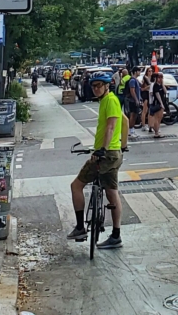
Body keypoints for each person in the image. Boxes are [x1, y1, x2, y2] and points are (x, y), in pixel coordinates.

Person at [66, 71, 123, 249]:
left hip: (106, 154)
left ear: (107, 86)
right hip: (112, 152)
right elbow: (126, 121)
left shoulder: (111, 100)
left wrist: (102, 150)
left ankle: (81, 227)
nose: (96, 88)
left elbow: (112, 126)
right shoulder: (106, 101)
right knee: (111, 192)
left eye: (99, 85)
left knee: (76, 185)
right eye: (94, 86)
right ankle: (116, 235)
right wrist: (123, 144)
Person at [149, 73, 168, 139]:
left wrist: (162, 84)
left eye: (161, 78)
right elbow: (157, 95)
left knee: (159, 118)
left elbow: (165, 91)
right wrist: (161, 104)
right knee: (157, 118)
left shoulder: (160, 85)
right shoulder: (156, 85)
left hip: (161, 103)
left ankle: (157, 131)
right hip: (158, 103)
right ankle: (156, 133)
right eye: (159, 78)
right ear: (156, 78)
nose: (160, 79)